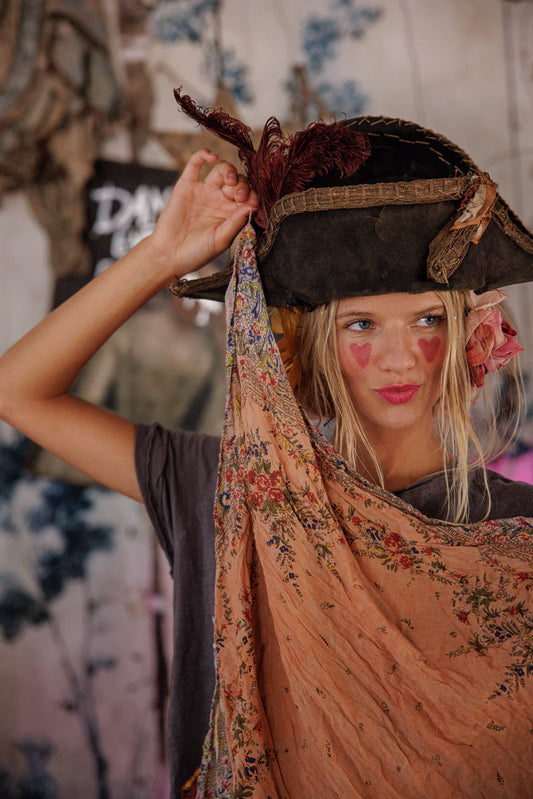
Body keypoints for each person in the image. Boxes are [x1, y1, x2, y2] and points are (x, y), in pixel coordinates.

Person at [0, 101, 532, 799]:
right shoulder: (232, 492)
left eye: (427, 318)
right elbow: (20, 391)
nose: (399, 357)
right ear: (313, 340)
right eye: (361, 324)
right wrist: (161, 255)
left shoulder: (517, 538)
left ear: (469, 332)